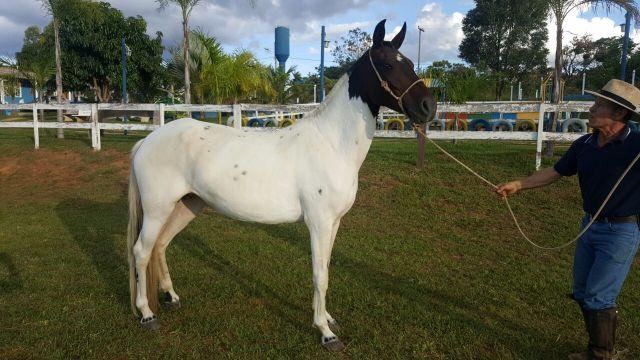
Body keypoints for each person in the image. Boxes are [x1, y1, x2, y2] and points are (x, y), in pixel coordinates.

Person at [496, 79, 640, 360]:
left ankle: (601, 353)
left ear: (620, 113)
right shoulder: (584, 143)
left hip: (621, 230)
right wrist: (519, 184)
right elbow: (555, 172)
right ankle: (601, 347)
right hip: (589, 226)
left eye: (599, 104)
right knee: (583, 290)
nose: (592, 108)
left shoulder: (636, 145)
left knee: (599, 295)